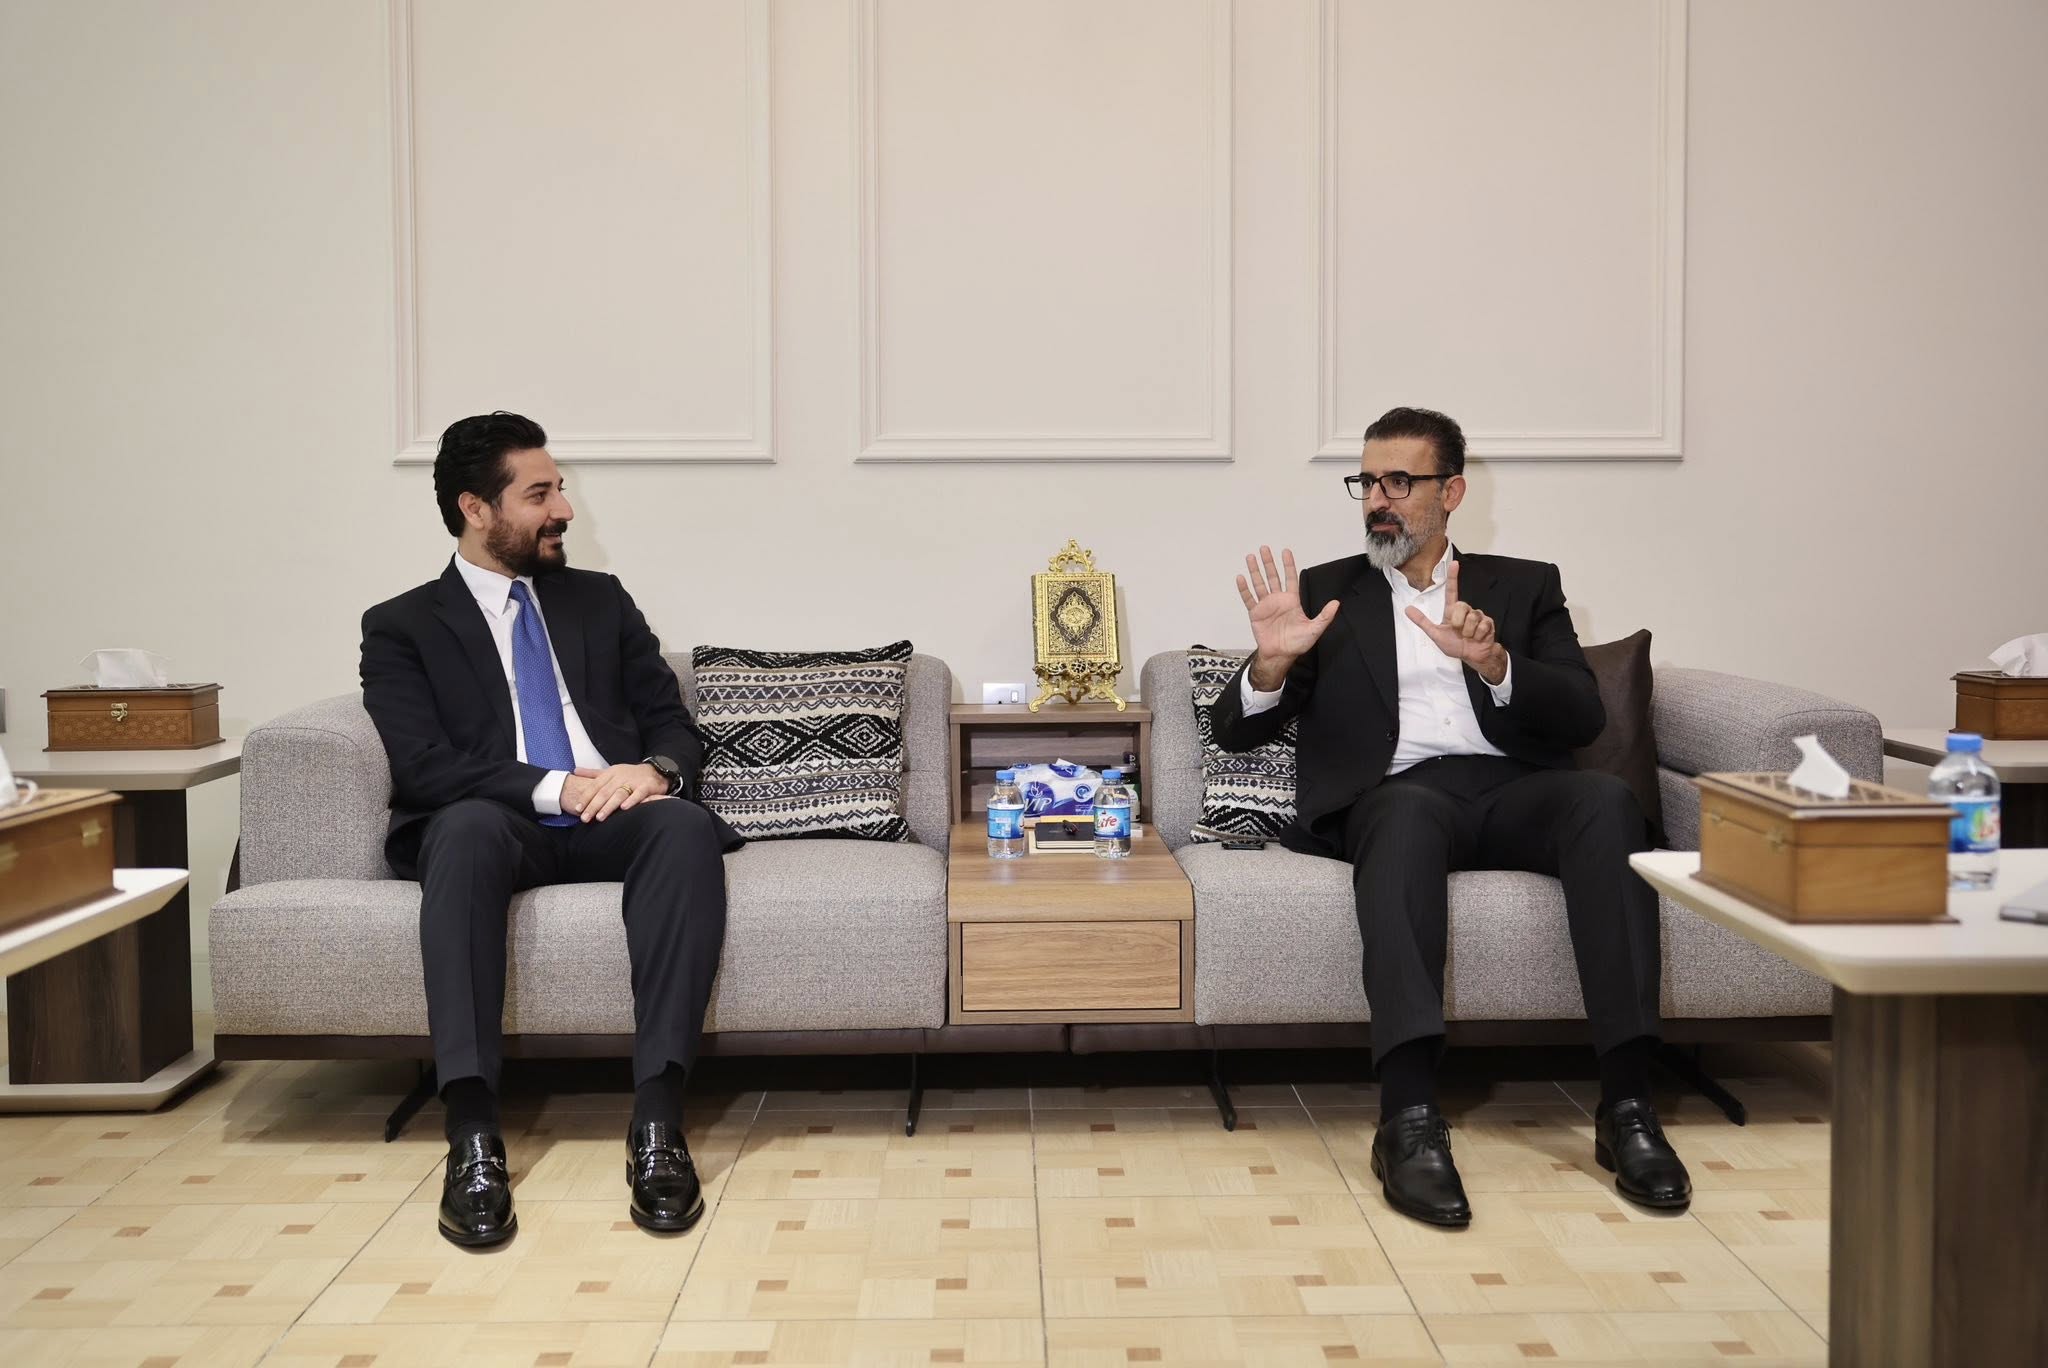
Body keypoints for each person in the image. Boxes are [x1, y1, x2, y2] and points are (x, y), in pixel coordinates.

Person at [1208, 405, 1689, 1227]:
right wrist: (1270, 664)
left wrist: (1497, 663)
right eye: (1367, 482)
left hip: (1512, 790)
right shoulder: (1328, 591)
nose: (1377, 500)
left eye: (1399, 481)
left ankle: (1629, 1107)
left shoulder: (1526, 584)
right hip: (1395, 793)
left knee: (1606, 802)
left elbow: (1581, 715)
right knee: (1404, 816)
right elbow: (1234, 731)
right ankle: (1408, 1119)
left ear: (1452, 491)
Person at [360, 411, 742, 1247]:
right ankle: (472, 1139)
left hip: (614, 814)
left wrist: (655, 772)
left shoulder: (600, 600)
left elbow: (671, 723)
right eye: (539, 495)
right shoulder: (402, 626)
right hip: (502, 821)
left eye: (559, 489)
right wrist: (554, 787)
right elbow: (423, 766)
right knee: (461, 831)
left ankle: (657, 1124)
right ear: (476, 509)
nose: (563, 509)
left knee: (680, 828)